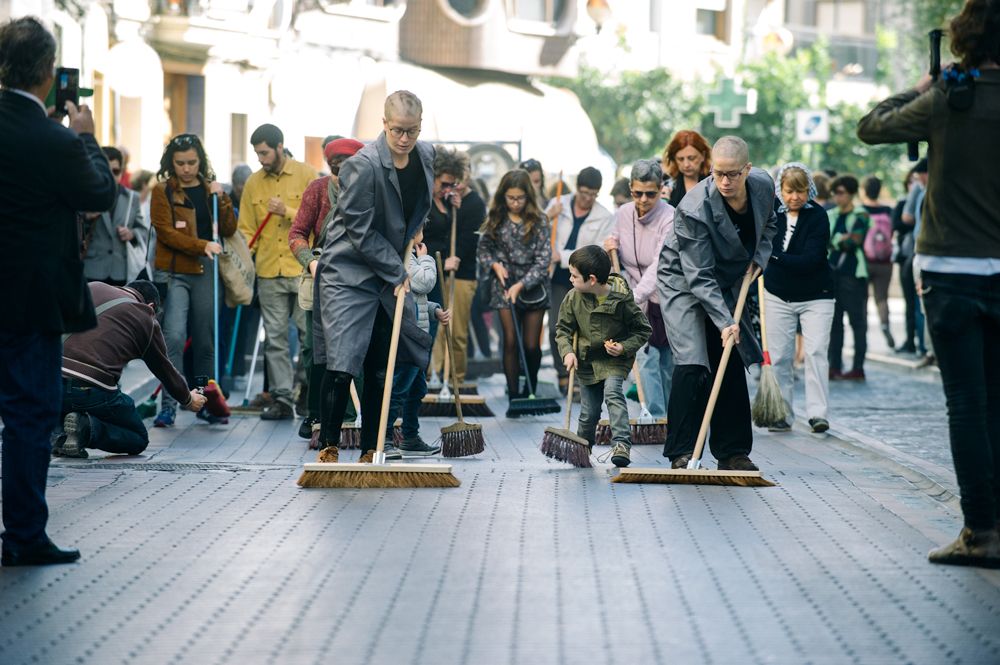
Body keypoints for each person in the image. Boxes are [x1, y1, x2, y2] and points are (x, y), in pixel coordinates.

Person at [857, 0, 1000, 568]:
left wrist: (923, 84)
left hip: (951, 274)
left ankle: (980, 532)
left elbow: (871, 127)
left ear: (966, 36)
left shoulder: (947, 98)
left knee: (967, 404)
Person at [0, 16, 117, 566]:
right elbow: (99, 192)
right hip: (30, 301)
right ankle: (23, 533)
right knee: (30, 413)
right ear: (49, 73)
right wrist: (87, 134)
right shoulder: (52, 139)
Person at [314, 90, 435, 463]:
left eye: (412, 131)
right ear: (383, 125)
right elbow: (359, 229)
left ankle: (372, 449)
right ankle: (329, 447)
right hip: (349, 270)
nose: (404, 139)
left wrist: (415, 228)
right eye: (398, 130)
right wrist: (398, 270)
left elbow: (414, 206)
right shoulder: (362, 165)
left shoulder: (426, 155)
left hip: (387, 269)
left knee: (381, 363)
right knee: (343, 361)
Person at [656, 136, 777, 471]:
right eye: (718, 173)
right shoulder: (694, 208)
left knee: (730, 355)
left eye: (733, 174)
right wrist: (726, 322)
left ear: (748, 170)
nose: (724, 181)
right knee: (694, 361)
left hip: (727, 277)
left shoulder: (764, 187)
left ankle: (733, 451)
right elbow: (699, 276)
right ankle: (681, 451)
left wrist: (759, 258)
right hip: (683, 278)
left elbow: (770, 226)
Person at [54, 281, 208, 458]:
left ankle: (59, 431)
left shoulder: (92, 287)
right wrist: (188, 399)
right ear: (151, 306)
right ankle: (86, 428)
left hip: (50, 382)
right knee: (138, 438)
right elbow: (165, 369)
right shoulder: (145, 317)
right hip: (92, 390)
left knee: (68, 399)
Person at [150, 133, 238, 427]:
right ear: (170, 163)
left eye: (191, 162)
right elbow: (165, 232)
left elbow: (227, 228)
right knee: (173, 335)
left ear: (200, 160)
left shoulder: (210, 188)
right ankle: (170, 404)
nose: (186, 168)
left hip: (206, 269)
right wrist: (200, 245)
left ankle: (204, 400)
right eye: (180, 163)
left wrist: (222, 197)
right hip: (176, 270)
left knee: (205, 338)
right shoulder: (162, 191)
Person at [238, 124, 318, 420]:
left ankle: (306, 390)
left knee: (309, 336)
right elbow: (245, 228)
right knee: (274, 339)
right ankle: (282, 399)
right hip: (268, 271)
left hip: (300, 270)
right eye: (257, 153)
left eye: (264, 152)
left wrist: (287, 211)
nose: (260, 158)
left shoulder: (307, 175)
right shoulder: (253, 184)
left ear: (280, 146)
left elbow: (317, 223)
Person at [288, 137, 365, 440]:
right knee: (314, 349)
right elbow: (296, 233)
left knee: (356, 348)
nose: (341, 175)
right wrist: (310, 262)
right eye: (336, 169)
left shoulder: (369, 192)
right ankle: (316, 412)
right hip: (321, 278)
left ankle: (357, 416)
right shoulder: (317, 190)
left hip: (358, 280)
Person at [556, 246, 651, 467]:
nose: (570, 279)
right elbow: (562, 330)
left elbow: (643, 330)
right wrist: (568, 352)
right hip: (587, 361)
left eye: (574, 275)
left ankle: (621, 444)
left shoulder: (621, 299)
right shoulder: (573, 298)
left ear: (591, 279)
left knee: (613, 393)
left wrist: (623, 347)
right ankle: (583, 446)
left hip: (614, 360)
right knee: (589, 412)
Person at [761, 163, 835, 433]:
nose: (795, 197)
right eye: (789, 191)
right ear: (780, 190)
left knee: (815, 352)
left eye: (801, 191)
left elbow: (811, 259)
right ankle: (782, 412)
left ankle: (818, 414)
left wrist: (775, 257)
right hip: (778, 295)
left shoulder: (817, 216)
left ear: (809, 191)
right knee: (780, 356)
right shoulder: (772, 216)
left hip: (817, 295)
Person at [603, 159, 675, 419]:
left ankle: (672, 417)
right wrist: (610, 244)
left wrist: (633, 297)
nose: (643, 200)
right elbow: (614, 244)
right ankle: (654, 416)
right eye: (637, 193)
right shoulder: (622, 213)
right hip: (634, 294)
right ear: (631, 189)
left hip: (665, 296)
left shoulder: (670, 217)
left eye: (650, 194)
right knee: (645, 357)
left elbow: (660, 265)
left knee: (667, 361)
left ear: (661, 189)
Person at [477, 169, 552, 415]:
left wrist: (522, 285)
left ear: (528, 196)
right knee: (510, 341)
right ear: (503, 196)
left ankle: (529, 389)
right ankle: (514, 395)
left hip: (532, 286)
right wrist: (494, 265)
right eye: (511, 198)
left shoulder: (540, 220)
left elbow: (544, 260)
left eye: (520, 198)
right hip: (504, 284)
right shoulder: (496, 217)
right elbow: (484, 249)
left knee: (531, 345)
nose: (515, 203)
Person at [546, 167, 614, 393]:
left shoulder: (604, 216)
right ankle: (563, 373)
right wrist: (548, 217)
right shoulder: (558, 204)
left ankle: (580, 378)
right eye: (584, 192)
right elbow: (539, 234)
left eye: (593, 194)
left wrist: (563, 256)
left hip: (585, 279)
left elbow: (595, 252)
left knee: (583, 329)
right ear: (577, 189)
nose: (588, 198)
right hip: (557, 277)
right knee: (558, 327)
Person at [384, 225, 449, 459]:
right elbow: (424, 283)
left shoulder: (410, 257)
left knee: (416, 388)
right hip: (407, 335)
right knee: (400, 387)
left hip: (417, 331)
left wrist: (434, 310)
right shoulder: (406, 258)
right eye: (421, 227)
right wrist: (427, 259)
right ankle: (386, 438)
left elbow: (416, 298)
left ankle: (410, 436)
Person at [425, 147, 486, 388]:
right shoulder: (429, 201)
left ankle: (454, 380)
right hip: (435, 270)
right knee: (435, 330)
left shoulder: (457, 202)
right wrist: (441, 259)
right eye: (446, 183)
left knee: (456, 331)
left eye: (454, 183)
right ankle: (434, 376)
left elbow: (464, 238)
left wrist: (454, 208)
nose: (450, 187)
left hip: (457, 272)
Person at [81, 146, 149, 286]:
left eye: (116, 172)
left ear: (122, 172)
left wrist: (132, 234)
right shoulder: (87, 195)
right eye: (106, 171)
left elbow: (143, 231)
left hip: (121, 270)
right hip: (93, 269)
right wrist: (87, 219)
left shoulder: (132, 198)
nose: (111, 176)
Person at [826, 174, 871, 381]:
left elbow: (854, 242)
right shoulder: (831, 214)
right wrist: (839, 239)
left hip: (854, 276)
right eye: (834, 192)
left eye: (841, 192)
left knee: (857, 322)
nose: (837, 196)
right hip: (832, 274)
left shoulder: (861, 215)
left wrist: (837, 240)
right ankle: (834, 366)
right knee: (834, 323)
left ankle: (858, 368)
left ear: (851, 193)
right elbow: (823, 240)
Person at [860, 175, 896, 350]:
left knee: (863, 299)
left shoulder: (861, 210)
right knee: (882, 298)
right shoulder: (888, 210)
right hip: (885, 262)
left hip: (865, 261)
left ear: (864, 190)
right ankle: (885, 325)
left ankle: (863, 334)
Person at [897, 160, 929, 354]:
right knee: (918, 303)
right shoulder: (922, 192)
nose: (916, 181)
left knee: (920, 303)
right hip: (919, 251)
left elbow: (906, 217)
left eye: (917, 177)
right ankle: (924, 346)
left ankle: (926, 347)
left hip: (923, 252)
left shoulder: (922, 192)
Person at [662, 130, 711, 208]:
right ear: (674, 158)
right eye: (680, 159)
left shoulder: (715, 182)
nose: (686, 164)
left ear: (703, 155)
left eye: (691, 158)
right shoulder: (666, 183)